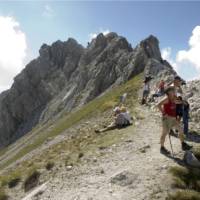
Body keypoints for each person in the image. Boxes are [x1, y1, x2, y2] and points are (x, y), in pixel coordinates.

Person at [157, 86, 192, 155]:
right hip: (166, 119)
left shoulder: (173, 97)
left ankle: (183, 144)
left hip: (173, 118)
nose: (174, 91)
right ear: (168, 92)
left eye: (174, 90)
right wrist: (164, 113)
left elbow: (177, 102)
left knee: (180, 129)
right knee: (165, 133)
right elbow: (158, 105)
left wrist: (183, 102)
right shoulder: (166, 99)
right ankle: (162, 147)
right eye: (172, 90)